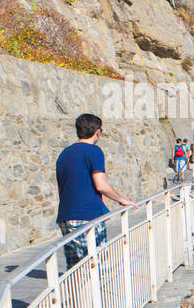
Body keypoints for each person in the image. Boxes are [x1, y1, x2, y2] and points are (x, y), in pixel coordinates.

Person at [56, 113, 137, 270]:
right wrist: (122, 200)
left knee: (74, 269)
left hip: (66, 216)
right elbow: (101, 185)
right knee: (94, 266)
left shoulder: (63, 154)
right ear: (97, 132)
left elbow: (62, 189)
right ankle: (91, 295)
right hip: (87, 217)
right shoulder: (93, 151)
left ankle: (77, 295)